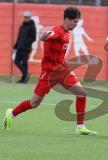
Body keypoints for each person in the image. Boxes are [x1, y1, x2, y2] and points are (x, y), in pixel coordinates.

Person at [3, 7, 97, 135]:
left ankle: (80, 127)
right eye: (74, 22)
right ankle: (11, 114)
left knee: (81, 93)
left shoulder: (67, 32)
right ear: (67, 20)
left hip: (63, 71)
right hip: (49, 73)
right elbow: (45, 37)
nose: (76, 24)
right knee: (34, 103)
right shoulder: (57, 31)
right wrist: (43, 37)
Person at [13, 11, 36, 83]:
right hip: (19, 47)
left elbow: (33, 38)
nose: (26, 19)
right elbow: (19, 37)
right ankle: (26, 74)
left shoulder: (32, 26)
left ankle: (24, 79)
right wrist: (15, 46)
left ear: (30, 18)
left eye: (27, 17)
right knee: (16, 61)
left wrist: (25, 44)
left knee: (24, 63)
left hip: (26, 48)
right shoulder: (22, 26)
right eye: (25, 17)